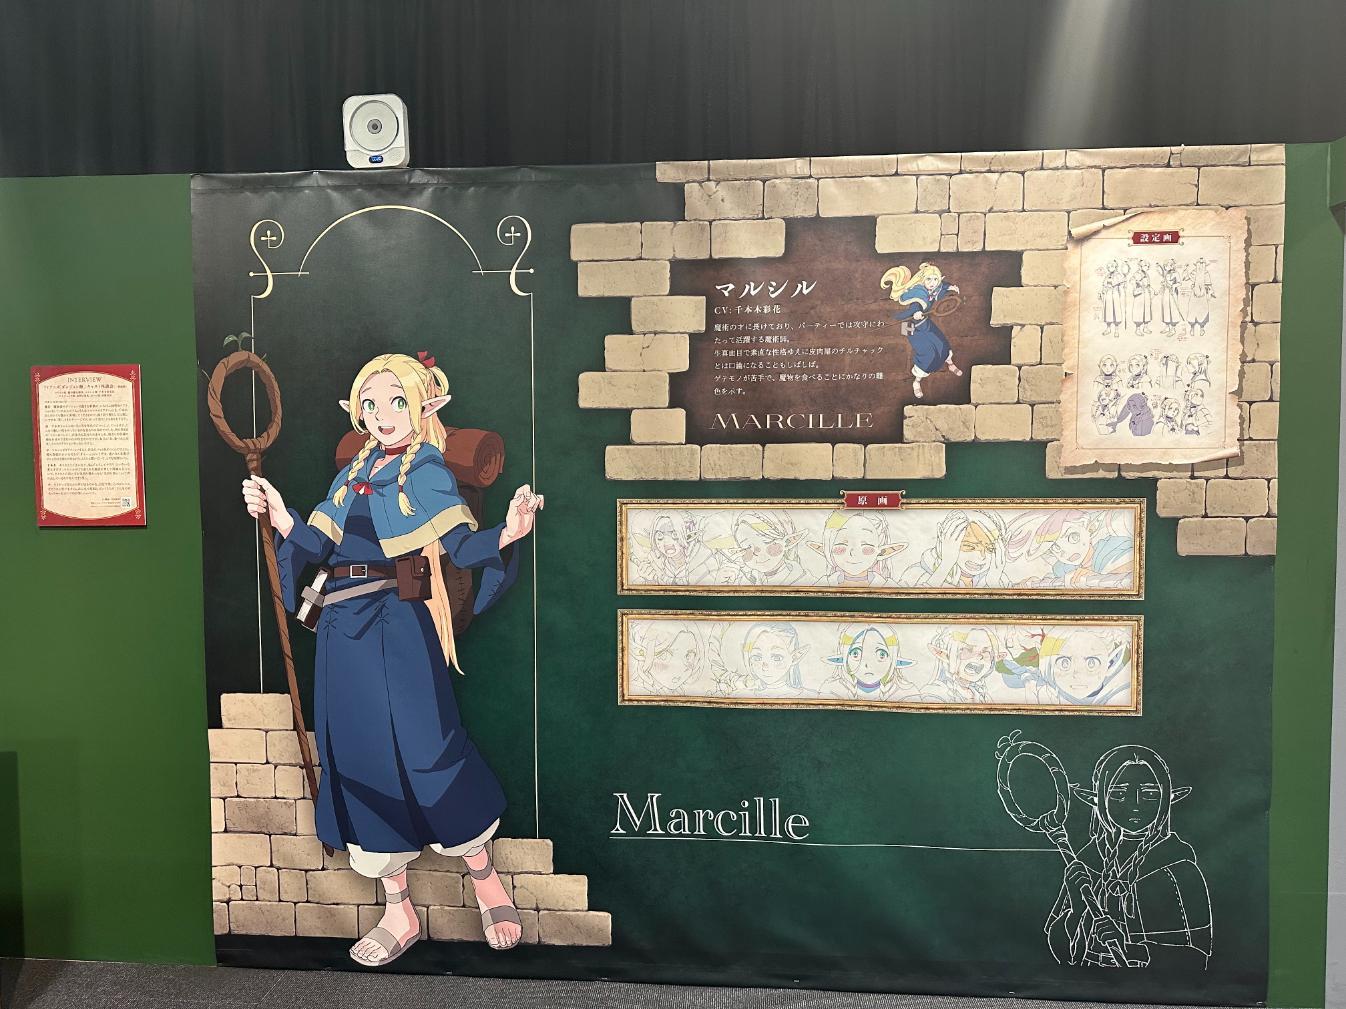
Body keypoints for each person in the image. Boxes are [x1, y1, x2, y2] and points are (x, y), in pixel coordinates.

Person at [241, 352, 542, 965]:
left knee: (428, 746)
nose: (383, 415)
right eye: (371, 404)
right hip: (341, 631)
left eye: (397, 401)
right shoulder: (353, 472)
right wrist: (278, 513)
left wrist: (509, 533)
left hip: (399, 624)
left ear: (423, 405)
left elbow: (461, 548)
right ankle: (398, 909)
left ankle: (485, 879)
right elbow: (317, 543)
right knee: (360, 757)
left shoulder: (427, 470)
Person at [1045, 746, 1211, 968]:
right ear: (1100, 799)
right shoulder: (1087, 862)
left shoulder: (1178, 868)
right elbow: (1059, 953)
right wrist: (1076, 911)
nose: (1135, 805)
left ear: (1166, 799)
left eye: (1149, 794)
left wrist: (1132, 950)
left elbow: (1199, 959)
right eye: (1118, 794)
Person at [881, 263, 963, 400]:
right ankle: (916, 381)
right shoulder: (918, 293)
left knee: (941, 344)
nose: (932, 283)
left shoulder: (934, 288)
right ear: (923, 280)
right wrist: (914, 314)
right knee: (927, 353)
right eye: (929, 279)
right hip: (909, 326)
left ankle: (950, 364)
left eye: (935, 279)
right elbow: (905, 313)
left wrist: (949, 287)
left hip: (924, 322)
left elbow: (941, 286)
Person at [809, 510, 907, 588]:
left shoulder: (887, 586)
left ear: (882, 552)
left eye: (866, 549)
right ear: (827, 551)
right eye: (841, 548)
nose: (853, 554)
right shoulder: (823, 584)